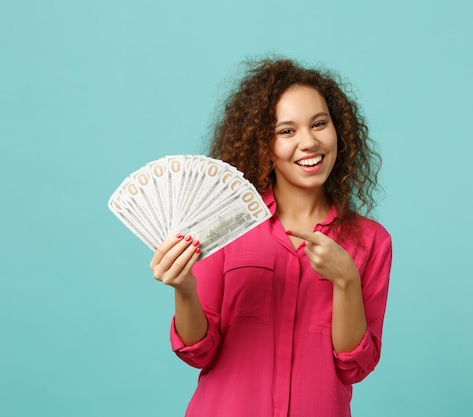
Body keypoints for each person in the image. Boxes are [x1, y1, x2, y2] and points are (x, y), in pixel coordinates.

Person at [150, 58, 392, 417]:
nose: (309, 142)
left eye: (320, 124)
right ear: (263, 143)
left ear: (339, 129)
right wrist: (184, 289)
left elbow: (353, 366)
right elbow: (198, 351)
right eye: (287, 131)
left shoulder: (371, 241)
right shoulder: (224, 227)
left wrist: (346, 282)